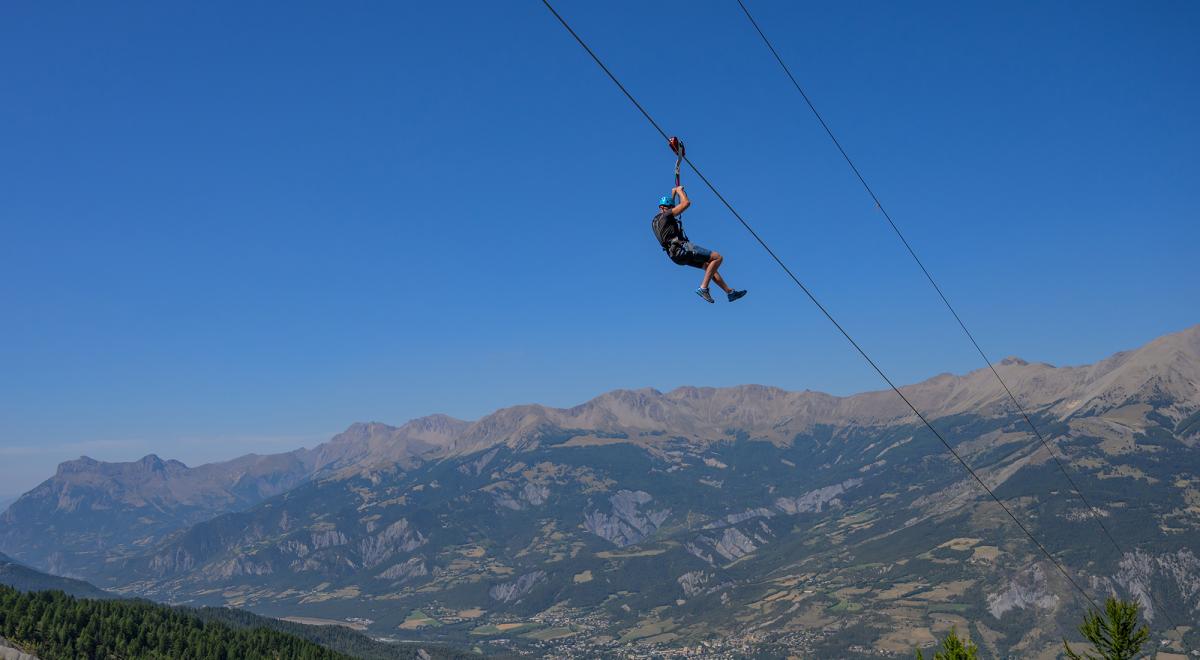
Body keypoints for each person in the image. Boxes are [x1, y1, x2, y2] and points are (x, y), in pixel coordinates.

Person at [651, 186, 747, 304]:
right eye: (671, 208)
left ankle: (729, 292)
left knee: (708, 266)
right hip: (682, 249)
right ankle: (703, 288)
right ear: (663, 208)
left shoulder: (656, 221)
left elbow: (673, 210)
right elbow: (686, 203)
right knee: (717, 257)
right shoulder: (666, 216)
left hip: (674, 256)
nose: (674, 209)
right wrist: (680, 191)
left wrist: (674, 194)